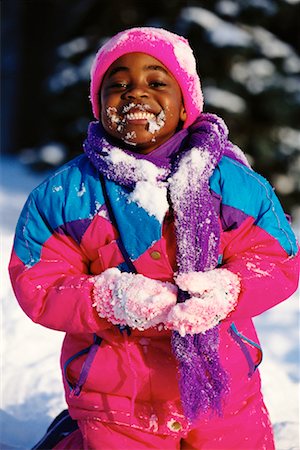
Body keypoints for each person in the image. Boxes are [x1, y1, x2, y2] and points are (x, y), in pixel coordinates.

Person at [9, 27, 299, 450]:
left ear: (186, 105)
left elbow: (277, 258)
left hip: (223, 385)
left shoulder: (232, 185)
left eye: (157, 82)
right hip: (115, 394)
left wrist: (229, 290)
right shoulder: (66, 195)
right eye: (118, 84)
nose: (134, 92)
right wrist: (108, 299)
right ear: (98, 104)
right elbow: (38, 279)